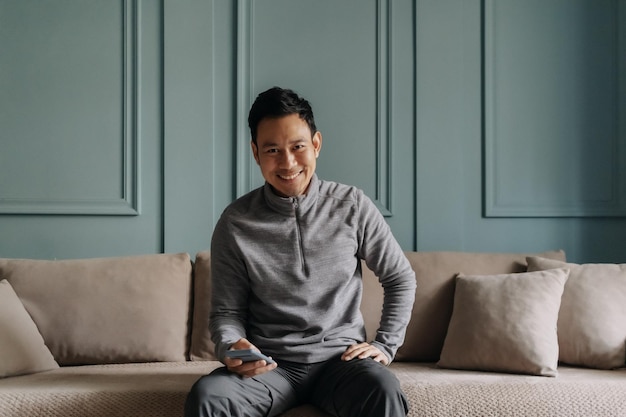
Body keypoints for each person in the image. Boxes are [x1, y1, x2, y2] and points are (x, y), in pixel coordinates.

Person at [185, 87, 416, 417]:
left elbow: (400, 277)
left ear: (316, 144)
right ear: (255, 153)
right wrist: (231, 345)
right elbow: (226, 313)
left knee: (383, 389)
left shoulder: (352, 206)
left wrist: (384, 345)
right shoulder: (235, 222)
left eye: (298, 147)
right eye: (273, 150)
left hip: (342, 364)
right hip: (269, 369)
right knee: (208, 396)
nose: (288, 162)